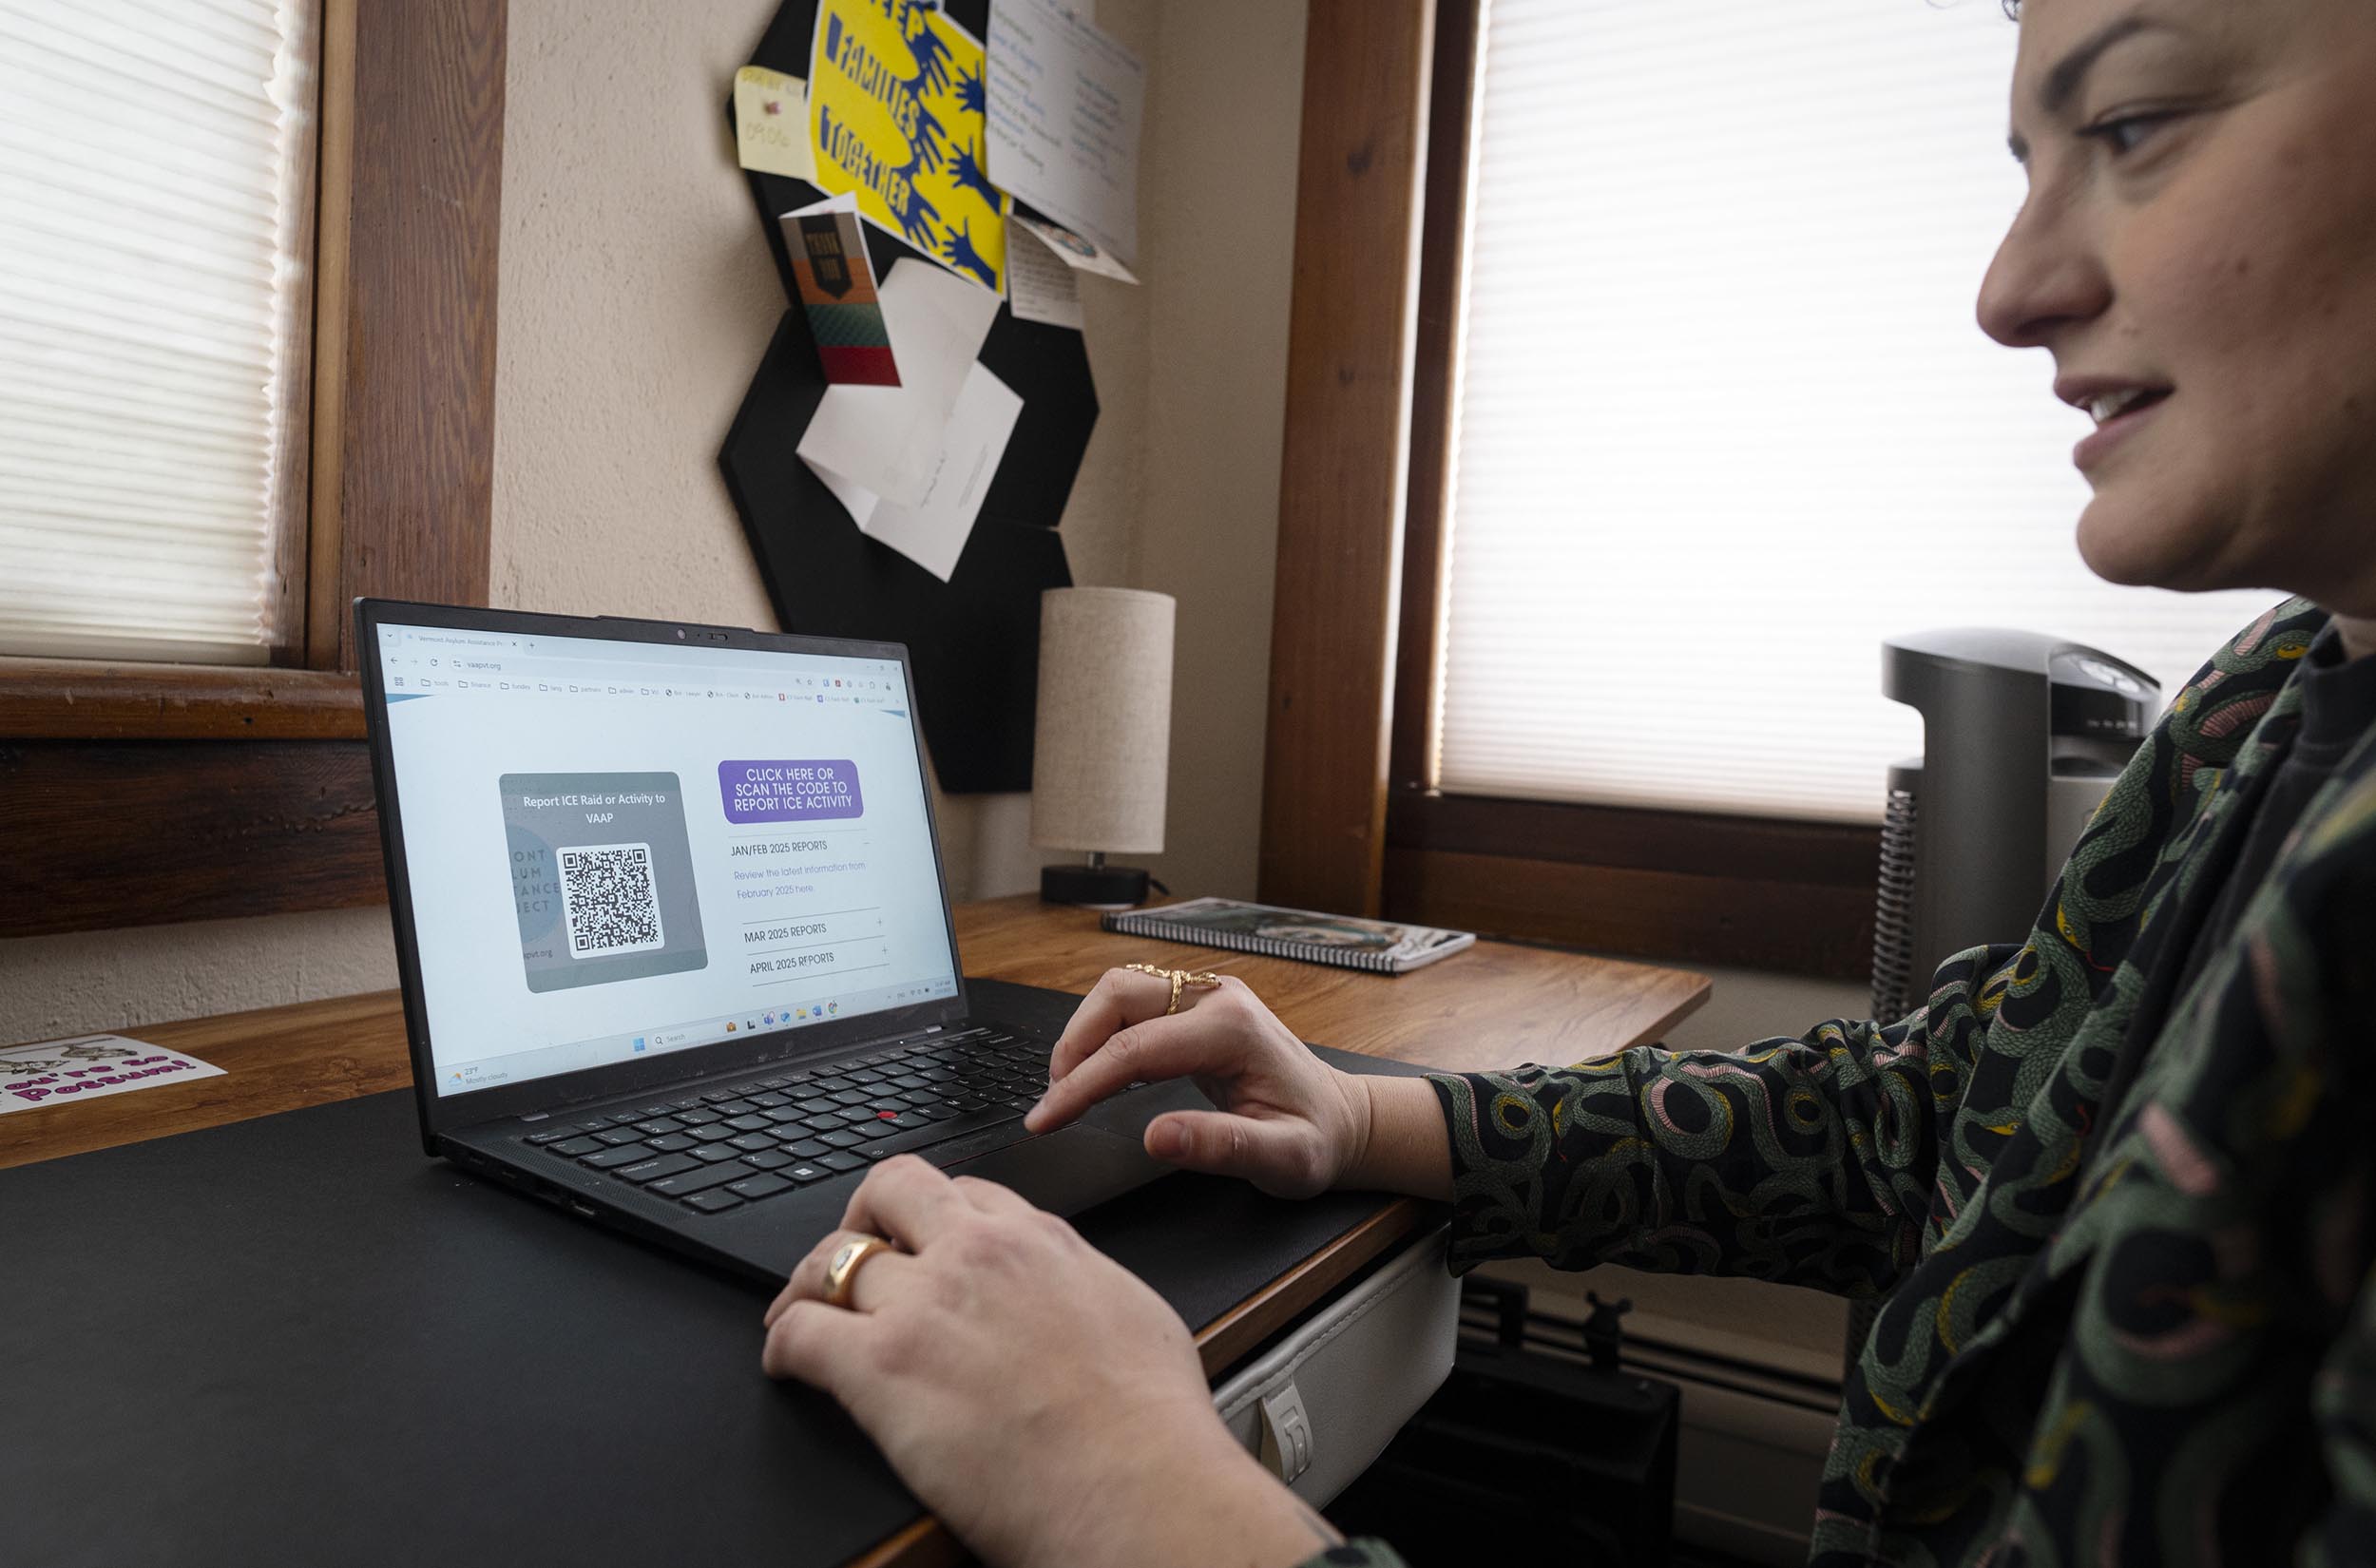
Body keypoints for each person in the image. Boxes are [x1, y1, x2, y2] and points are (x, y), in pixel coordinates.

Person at [757, 0, 2376, 1560]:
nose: (2011, 288)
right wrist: (1363, 1112)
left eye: (2137, 125)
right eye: (2027, 165)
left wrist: (1131, 1488)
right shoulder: (2265, 699)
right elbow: (1921, 1117)